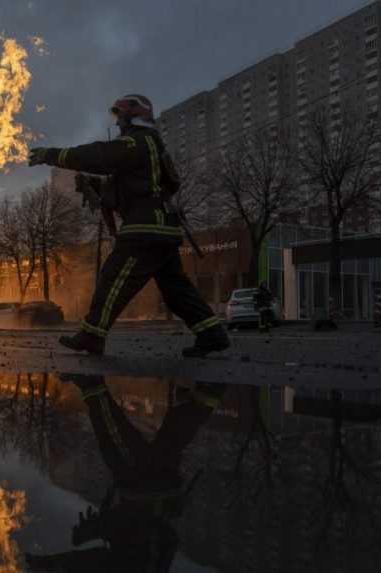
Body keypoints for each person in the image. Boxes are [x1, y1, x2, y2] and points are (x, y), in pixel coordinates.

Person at [28, 94, 230, 358]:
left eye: (119, 117)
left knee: (113, 277)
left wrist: (52, 155)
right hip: (162, 229)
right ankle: (211, 334)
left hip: (146, 230)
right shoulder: (153, 148)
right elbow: (137, 190)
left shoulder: (139, 141)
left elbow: (101, 156)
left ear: (130, 116)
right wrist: (98, 187)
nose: (118, 123)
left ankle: (92, 335)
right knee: (176, 290)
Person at [25, 373, 226, 571]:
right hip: (145, 495)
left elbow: (118, 553)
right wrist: (54, 564)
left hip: (157, 502)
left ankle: (206, 395)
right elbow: (104, 560)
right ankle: (92, 386)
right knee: (115, 446)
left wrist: (100, 531)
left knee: (168, 443)